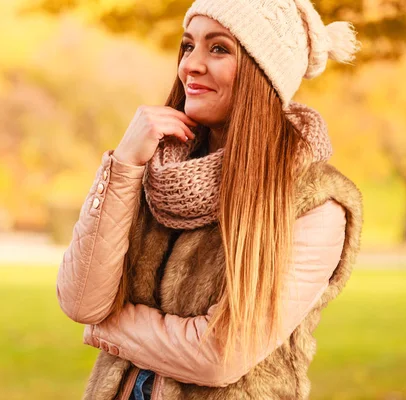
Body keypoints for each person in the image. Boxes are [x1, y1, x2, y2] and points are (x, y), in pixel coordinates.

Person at [56, 0, 363, 399]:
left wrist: (108, 326)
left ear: (262, 73)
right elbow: (81, 300)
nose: (191, 66)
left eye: (218, 48)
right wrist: (124, 164)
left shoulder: (313, 201)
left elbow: (219, 356)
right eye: (188, 46)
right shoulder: (155, 168)